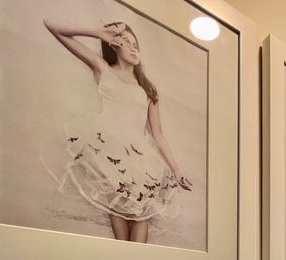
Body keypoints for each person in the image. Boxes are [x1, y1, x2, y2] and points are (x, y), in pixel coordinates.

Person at [43, 19, 192, 243]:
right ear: (113, 46)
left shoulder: (147, 87)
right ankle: (122, 257)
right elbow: (53, 27)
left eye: (135, 44)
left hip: (141, 158)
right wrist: (99, 33)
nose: (133, 48)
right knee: (117, 208)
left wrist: (177, 170)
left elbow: (158, 135)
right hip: (110, 151)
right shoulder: (102, 69)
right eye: (126, 42)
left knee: (141, 214)